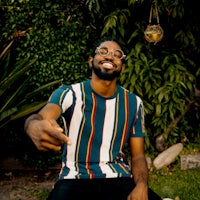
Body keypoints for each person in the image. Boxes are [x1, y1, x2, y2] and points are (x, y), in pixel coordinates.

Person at [24, 37, 162, 200]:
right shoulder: (69, 94)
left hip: (119, 178)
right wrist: (32, 125)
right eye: (103, 51)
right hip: (74, 179)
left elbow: (138, 156)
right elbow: (41, 117)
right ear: (91, 61)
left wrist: (141, 185)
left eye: (117, 54)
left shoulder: (134, 103)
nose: (109, 56)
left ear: (122, 67)